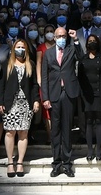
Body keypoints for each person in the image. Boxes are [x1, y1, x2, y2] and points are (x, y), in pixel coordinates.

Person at [39, 26, 81, 177]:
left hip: (69, 93)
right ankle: (56, 163)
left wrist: (75, 40)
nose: (62, 38)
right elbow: (44, 76)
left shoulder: (71, 49)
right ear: (54, 38)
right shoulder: (48, 53)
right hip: (54, 95)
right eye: (59, 36)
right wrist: (45, 98)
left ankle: (67, 163)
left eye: (64, 36)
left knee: (67, 129)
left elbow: (81, 57)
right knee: (55, 130)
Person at [0, 38, 38, 177]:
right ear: (14, 49)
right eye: (18, 46)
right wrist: (0, 102)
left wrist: (36, 100)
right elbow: (0, 85)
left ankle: (20, 162)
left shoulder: (30, 64)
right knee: (10, 132)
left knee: (23, 132)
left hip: (25, 103)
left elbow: (34, 85)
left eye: (23, 47)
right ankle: (10, 162)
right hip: (10, 103)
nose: (20, 49)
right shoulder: (6, 65)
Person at [78, 33, 101, 163]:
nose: (92, 43)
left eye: (94, 41)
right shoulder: (83, 59)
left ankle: (98, 150)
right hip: (87, 94)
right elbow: (79, 76)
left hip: (100, 92)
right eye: (90, 41)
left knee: (99, 121)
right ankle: (90, 150)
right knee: (89, 121)